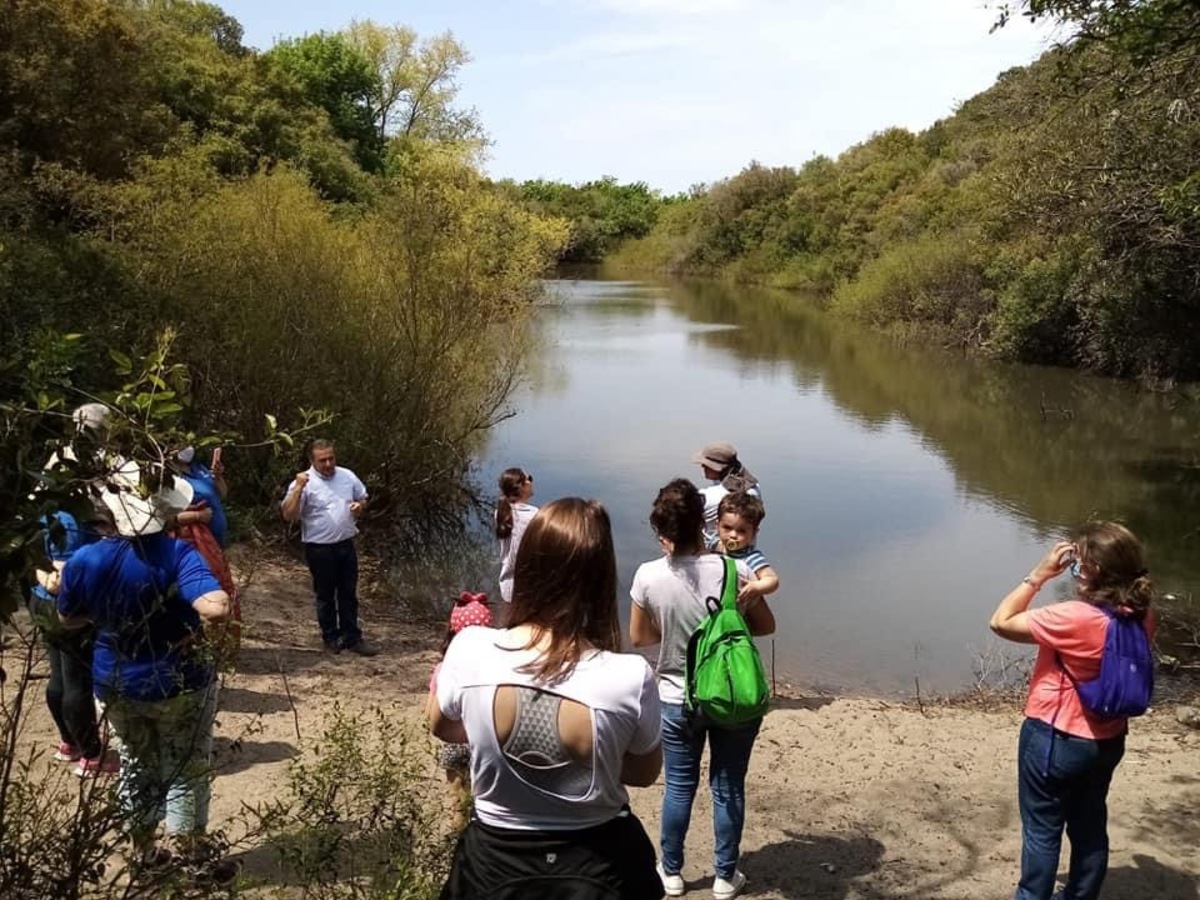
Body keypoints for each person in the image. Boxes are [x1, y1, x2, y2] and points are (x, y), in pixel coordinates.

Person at [431, 498, 664, 899]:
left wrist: (496, 745)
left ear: (527, 567)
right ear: (601, 578)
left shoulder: (469, 648)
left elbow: (441, 725)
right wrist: (581, 759)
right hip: (598, 862)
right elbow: (643, 773)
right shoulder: (629, 677)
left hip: (493, 862)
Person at [56, 462, 237, 880]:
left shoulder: (86, 557)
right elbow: (215, 605)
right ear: (165, 512)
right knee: (186, 766)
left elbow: (67, 618)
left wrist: (103, 618)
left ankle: (144, 853)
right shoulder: (177, 553)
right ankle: (192, 858)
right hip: (179, 682)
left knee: (137, 763)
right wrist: (209, 615)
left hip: (116, 681)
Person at [988, 522, 1155, 900]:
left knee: (1042, 830)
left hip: (1056, 738)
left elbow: (1001, 621)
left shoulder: (1074, 618)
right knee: (1090, 826)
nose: (1075, 572)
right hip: (1109, 740)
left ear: (1093, 570)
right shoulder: (1143, 617)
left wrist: (1041, 574)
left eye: (1079, 566)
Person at [630, 479, 776, 900]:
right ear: (705, 524)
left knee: (679, 785)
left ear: (664, 532)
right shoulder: (736, 570)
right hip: (729, 694)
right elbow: (766, 627)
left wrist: (675, 623)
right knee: (728, 785)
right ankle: (725, 877)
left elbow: (640, 638)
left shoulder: (647, 576)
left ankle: (671, 873)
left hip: (676, 698)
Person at [29, 509, 116, 777]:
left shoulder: (49, 508)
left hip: (41, 602)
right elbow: (59, 580)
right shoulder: (69, 519)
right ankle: (90, 755)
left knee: (60, 676)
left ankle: (69, 742)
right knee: (77, 681)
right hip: (67, 607)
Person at [280, 439, 376, 656]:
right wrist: (298, 489)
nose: (329, 463)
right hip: (319, 548)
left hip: (345, 544)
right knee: (325, 595)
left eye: (331, 458)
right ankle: (330, 637)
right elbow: (288, 514)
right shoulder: (303, 482)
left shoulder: (347, 475)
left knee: (348, 593)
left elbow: (364, 497)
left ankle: (352, 637)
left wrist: (360, 506)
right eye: (323, 460)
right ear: (312, 461)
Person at [426, 591, 494, 830]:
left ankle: (457, 838)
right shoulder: (494, 669)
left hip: (454, 746)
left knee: (458, 802)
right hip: (484, 743)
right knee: (485, 799)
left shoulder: (444, 669)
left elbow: (431, 715)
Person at [715, 492, 779, 605]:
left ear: (754, 533)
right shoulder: (715, 545)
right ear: (717, 526)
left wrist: (755, 586)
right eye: (727, 528)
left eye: (741, 531)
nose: (733, 535)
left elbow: (772, 580)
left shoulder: (750, 557)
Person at [690, 442, 761, 545]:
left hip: (714, 553)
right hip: (746, 549)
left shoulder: (709, 497)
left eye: (706, 464)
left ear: (717, 468)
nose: (702, 466)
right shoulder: (754, 488)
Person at [495, 467, 537, 605]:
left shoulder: (500, 512)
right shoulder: (534, 515)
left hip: (507, 587)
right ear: (521, 487)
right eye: (529, 478)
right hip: (528, 588)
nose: (532, 482)